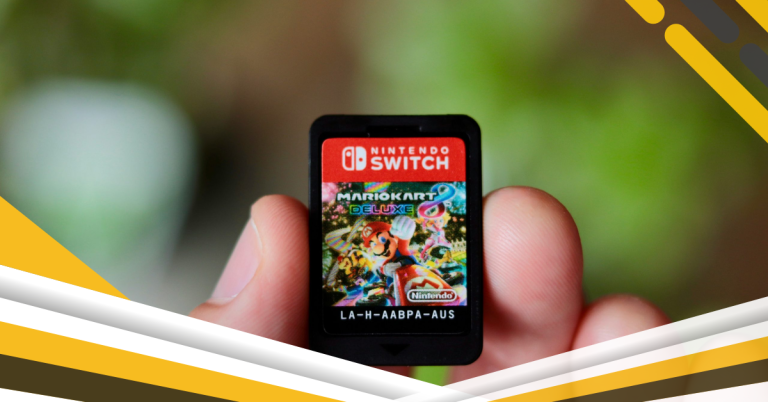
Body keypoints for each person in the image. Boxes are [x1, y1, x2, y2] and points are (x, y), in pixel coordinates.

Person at [190, 186, 669, 382]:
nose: (374, 245)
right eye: (370, 242)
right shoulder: (367, 272)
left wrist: (403, 254)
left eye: (379, 239)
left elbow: (418, 275)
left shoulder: (409, 265)